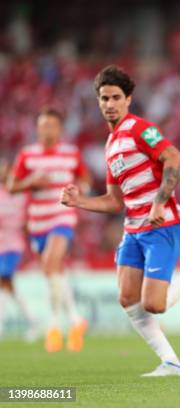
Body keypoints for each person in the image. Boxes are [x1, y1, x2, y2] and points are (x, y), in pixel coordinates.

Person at [60, 65, 180, 377]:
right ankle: (171, 362)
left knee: (154, 304)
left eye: (116, 97)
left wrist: (158, 201)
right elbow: (115, 200)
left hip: (162, 225)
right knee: (128, 298)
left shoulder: (141, 129)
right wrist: (80, 202)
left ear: (128, 99)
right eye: (104, 98)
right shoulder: (110, 144)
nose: (110, 103)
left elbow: (176, 159)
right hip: (133, 229)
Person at [8, 108, 90, 352]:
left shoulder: (71, 154)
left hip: (62, 217)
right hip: (37, 223)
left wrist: (79, 190)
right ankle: (75, 319)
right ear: (37, 128)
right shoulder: (27, 155)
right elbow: (11, 186)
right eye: (43, 126)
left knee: (52, 263)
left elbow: (85, 180)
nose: (47, 130)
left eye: (52, 126)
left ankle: (54, 326)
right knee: (54, 272)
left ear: (60, 129)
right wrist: (30, 182)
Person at [0, 159, 37, 340]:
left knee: (4, 281)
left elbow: (27, 220)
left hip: (13, 245)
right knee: (9, 287)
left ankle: (2, 324)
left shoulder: (21, 195)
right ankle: (32, 322)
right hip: (1, 246)